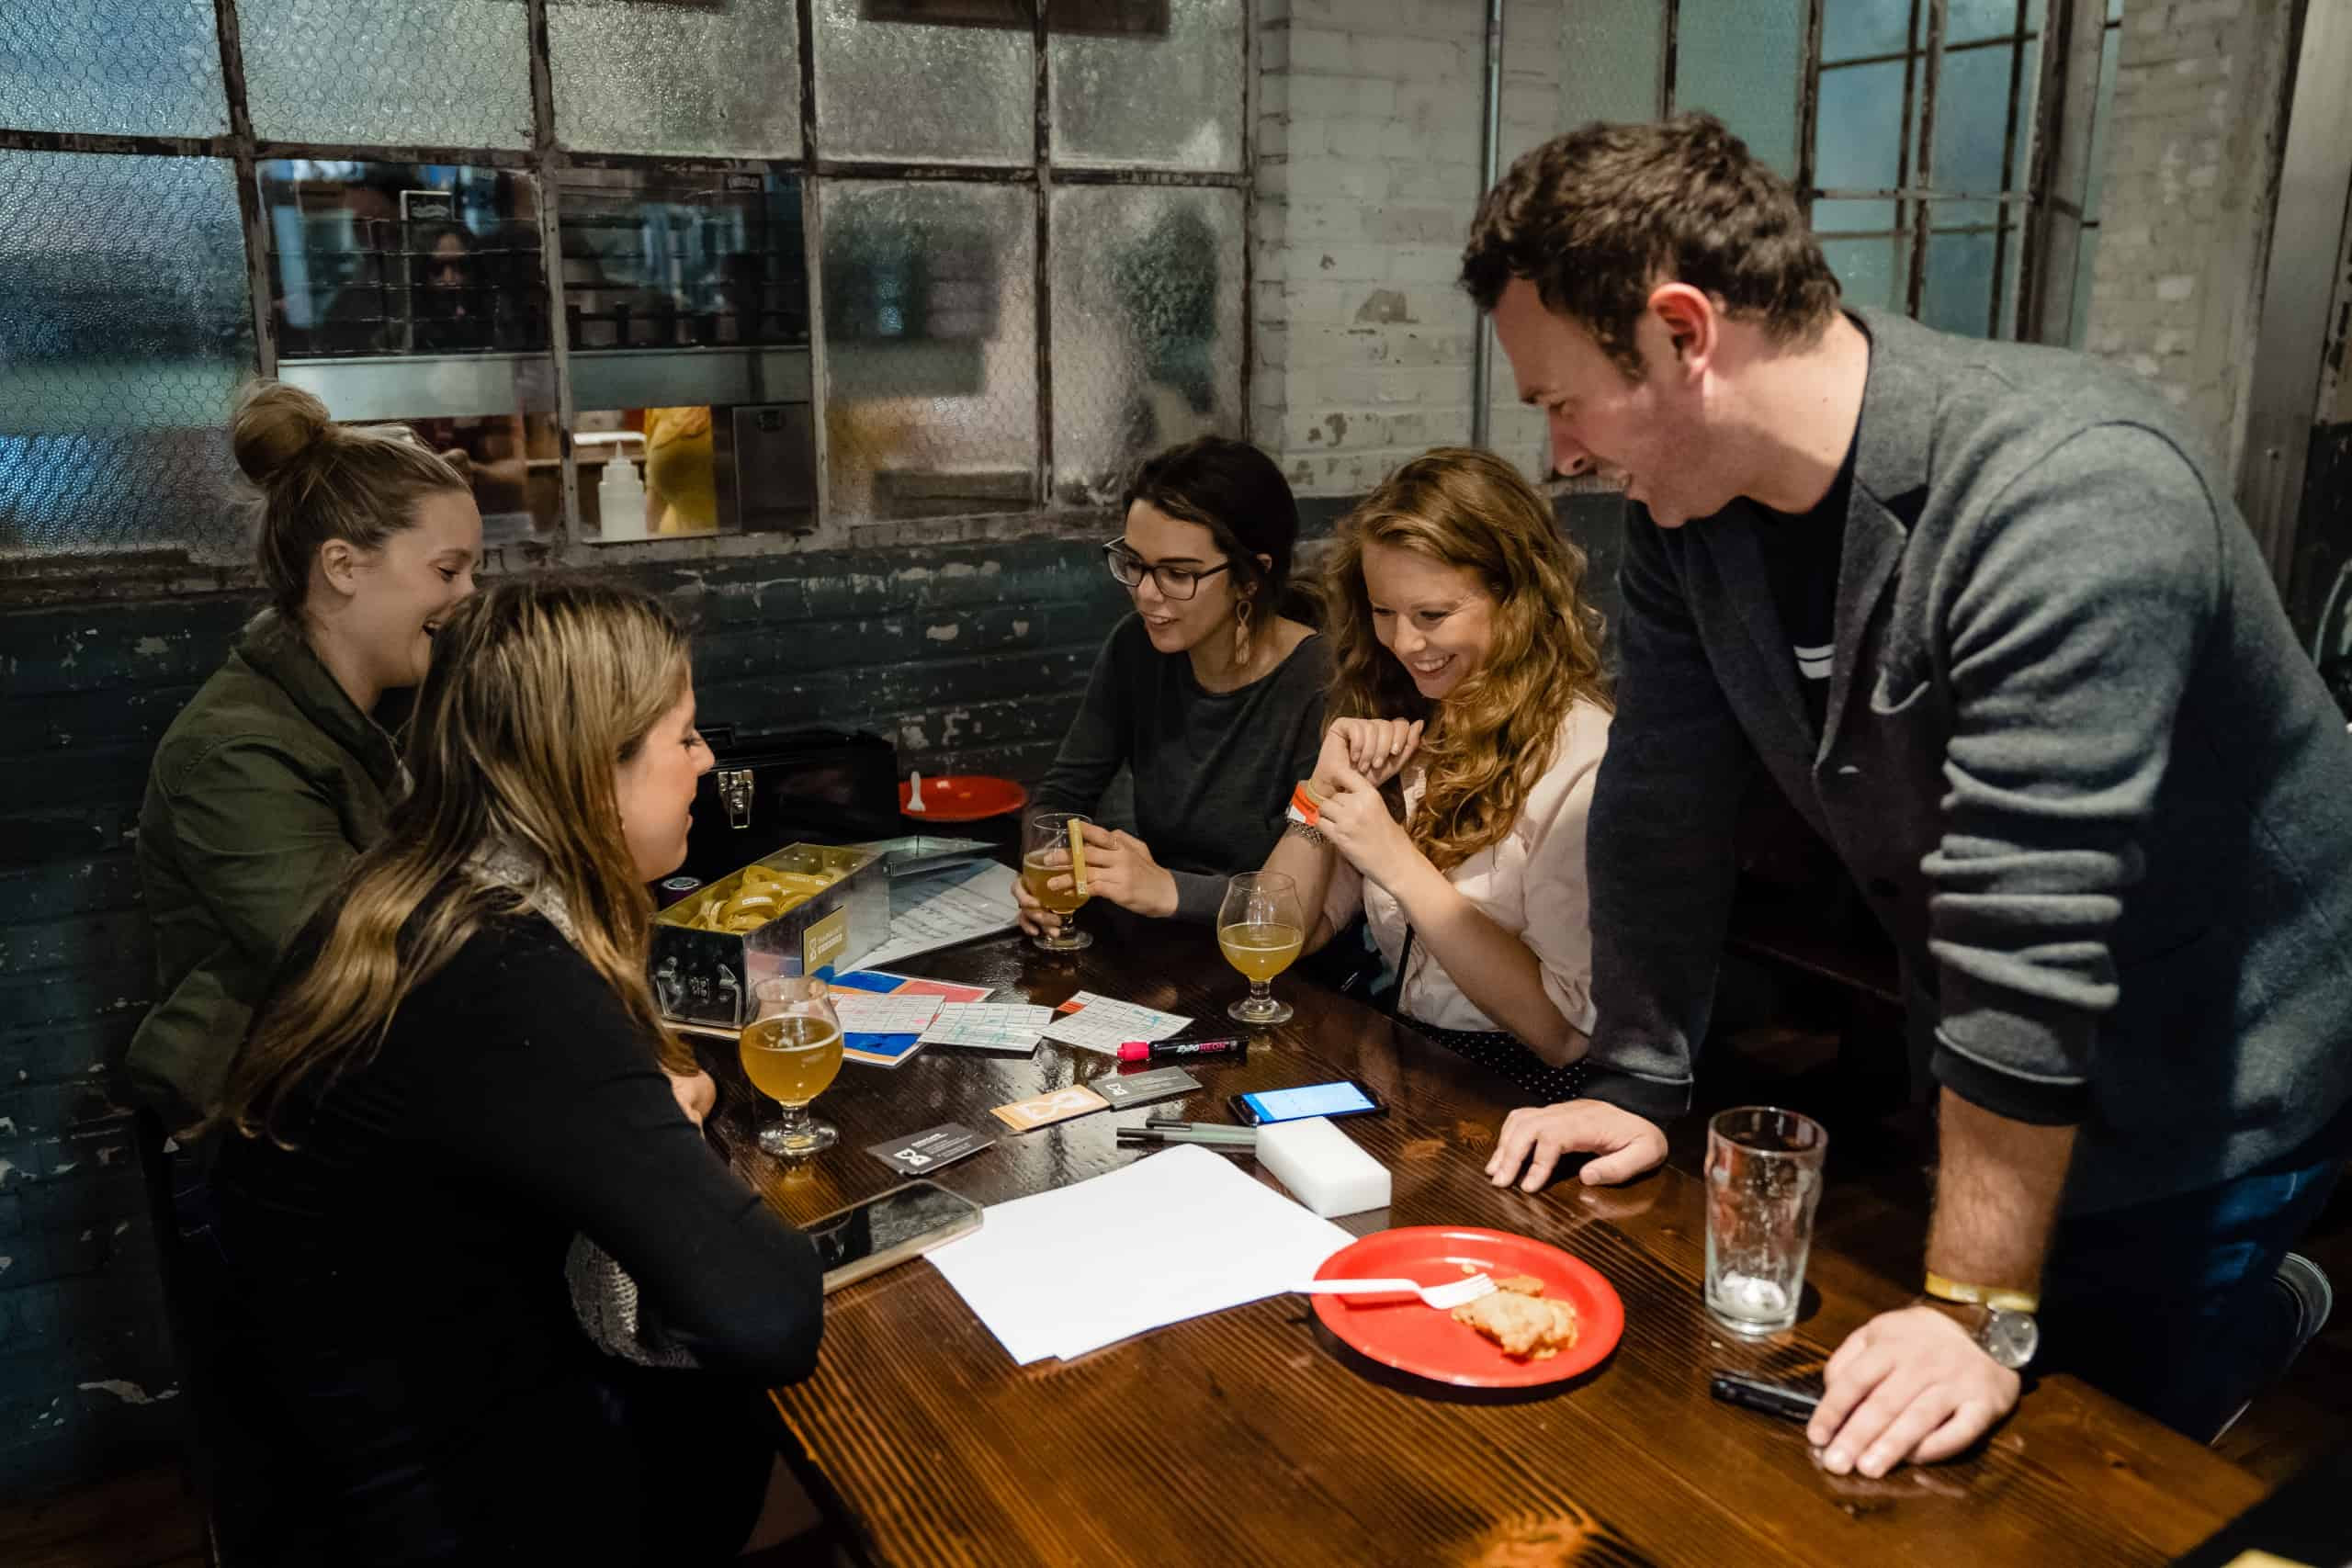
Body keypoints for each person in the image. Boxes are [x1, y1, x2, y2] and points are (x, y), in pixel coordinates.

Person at [1465, 115, 2352, 1470]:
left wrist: (1976, 1308)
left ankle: (2264, 1299)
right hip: (2002, 1033)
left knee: (2095, 1438)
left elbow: (2029, 931)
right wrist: (1637, 1072)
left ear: (1684, 332)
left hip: (2227, 1039)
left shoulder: (2071, 491)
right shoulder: (1689, 517)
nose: (1559, 453)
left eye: (1559, 401)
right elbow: (1662, 791)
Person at [203, 581, 821, 1563]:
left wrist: (629, 1116)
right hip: (450, 1511)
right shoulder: (504, 976)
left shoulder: (406, 901)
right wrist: (665, 1133)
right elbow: (769, 1314)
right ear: (591, 774)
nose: (707, 762)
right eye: (684, 737)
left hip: (321, 1471)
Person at [128, 380, 481, 1127]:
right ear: (343, 565)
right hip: (256, 1122)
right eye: (448, 571)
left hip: (355, 1086)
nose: (468, 595)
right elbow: (358, 960)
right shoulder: (234, 755)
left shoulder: (374, 712)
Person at [1259, 448, 1612, 1101]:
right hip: (1412, 1065)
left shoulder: (1581, 759)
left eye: (1432, 615)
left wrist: (1397, 860)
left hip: (1526, 1090)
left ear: (1516, 599)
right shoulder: (1415, 717)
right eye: (1383, 612)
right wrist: (1319, 790)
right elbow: (1278, 935)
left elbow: (1562, 1034)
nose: (1403, 643)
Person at [1022, 435, 1329, 929]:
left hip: (1282, 960)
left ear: (1251, 577)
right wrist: (1050, 865)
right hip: (1166, 942)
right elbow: (1061, 797)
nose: (1146, 593)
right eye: (1135, 564)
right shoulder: (1135, 648)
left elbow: (1298, 904)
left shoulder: (1320, 683)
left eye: (1178, 575)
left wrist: (1165, 887)